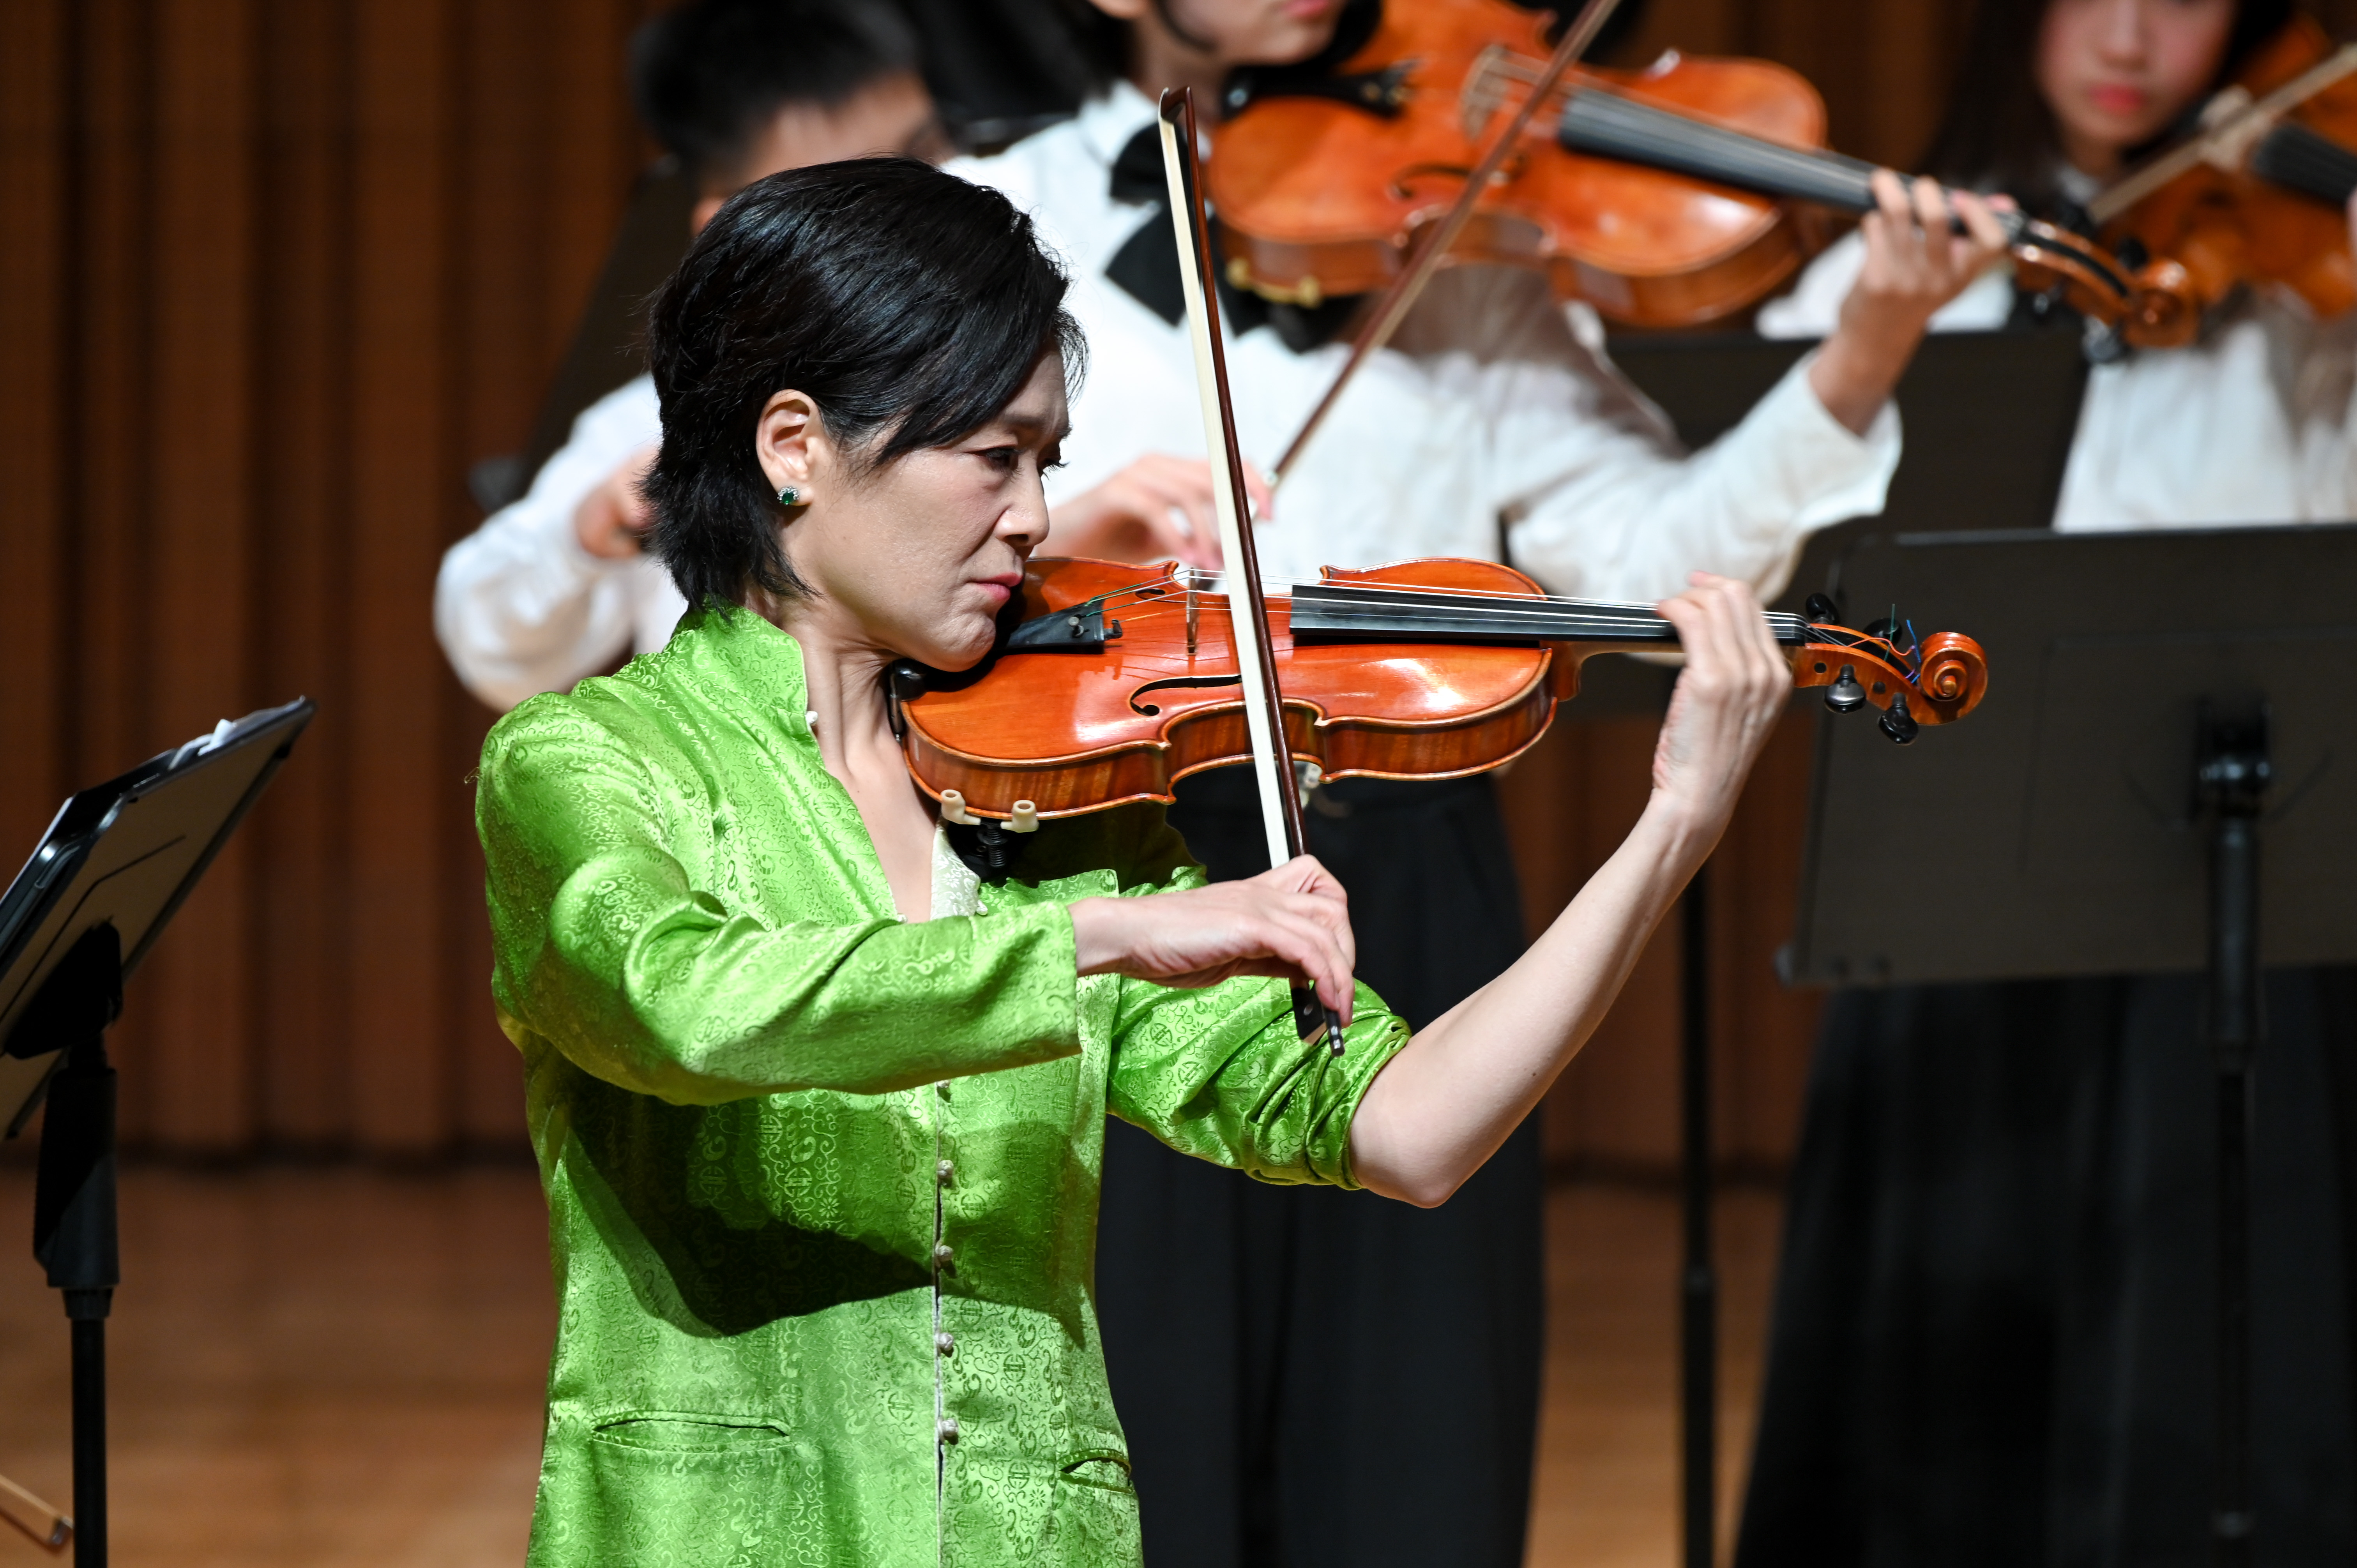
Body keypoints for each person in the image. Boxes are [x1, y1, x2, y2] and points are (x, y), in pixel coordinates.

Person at [476, 156, 1794, 1567]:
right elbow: (691, 1005)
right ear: (793, 443)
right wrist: (1097, 937)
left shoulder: (1043, 818)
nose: (1037, 519)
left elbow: (1403, 1130)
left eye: (1045, 463)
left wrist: (1668, 831)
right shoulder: (585, 763)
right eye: (992, 457)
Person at [943, 2, 2008, 1562]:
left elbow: (1649, 561)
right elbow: (837, 572)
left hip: (1411, 883)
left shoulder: (1447, 245)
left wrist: (1866, 351)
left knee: (1412, 1455)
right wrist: (1052, 523)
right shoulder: (982, 219)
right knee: (1129, 1448)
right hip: (1121, 876)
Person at [1739, 1, 2357, 1563]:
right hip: (1959, 882)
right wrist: (1879, 334)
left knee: (2222, 1351)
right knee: (1949, 1381)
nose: (2136, 34)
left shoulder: (2306, 294)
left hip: (2229, 898)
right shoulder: (1885, 276)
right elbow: (1757, 552)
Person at [435, 0, 947, 712]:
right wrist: (590, 528)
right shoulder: (654, 426)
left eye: (926, 158)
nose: (917, 209)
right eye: (849, 195)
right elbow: (488, 643)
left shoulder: (1024, 368)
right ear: (734, 229)